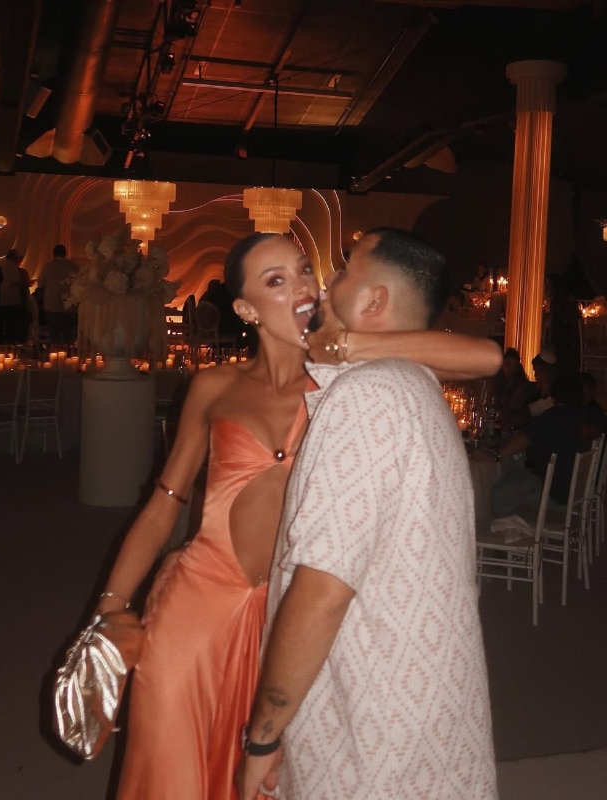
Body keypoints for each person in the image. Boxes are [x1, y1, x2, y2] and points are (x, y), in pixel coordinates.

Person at [94, 233, 501, 800]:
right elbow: (165, 502)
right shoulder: (214, 386)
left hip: (289, 621)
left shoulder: (343, 383)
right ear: (246, 309)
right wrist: (111, 605)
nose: (304, 286)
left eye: (306, 270)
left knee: (270, 776)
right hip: (201, 602)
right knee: (170, 768)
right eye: (277, 281)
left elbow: (486, 358)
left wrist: (348, 345)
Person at [239, 228, 497, 800]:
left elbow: (321, 592)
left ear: (374, 301)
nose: (323, 284)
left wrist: (263, 736)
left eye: (343, 270)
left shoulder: (366, 397)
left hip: (371, 739)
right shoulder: (414, 383)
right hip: (420, 719)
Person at [485, 373, 593, 518]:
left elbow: (524, 439)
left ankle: (515, 529)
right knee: (512, 475)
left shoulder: (554, 417)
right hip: (579, 493)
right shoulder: (589, 416)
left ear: (554, 395)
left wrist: (495, 455)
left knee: (498, 494)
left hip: (556, 495)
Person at [38, 244, 79, 344]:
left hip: (52, 306)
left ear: (54, 254)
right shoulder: (74, 267)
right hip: (69, 306)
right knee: (68, 334)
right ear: (65, 253)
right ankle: (68, 352)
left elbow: (40, 283)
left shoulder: (48, 267)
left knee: (54, 334)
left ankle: (56, 352)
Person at [543, 273, 581, 373]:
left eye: (548, 285)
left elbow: (560, 321)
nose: (546, 288)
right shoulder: (565, 298)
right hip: (567, 337)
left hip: (564, 338)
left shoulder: (559, 300)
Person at [490, 347, 535, 427]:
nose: (511, 369)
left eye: (514, 366)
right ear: (502, 365)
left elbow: (509, 409)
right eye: (508, 365)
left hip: (516, 426)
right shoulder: (496, 382)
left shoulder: (523, 387)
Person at [0, 249, 24, 343]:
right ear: (15, 258)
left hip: (2, 299)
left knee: (3, 325)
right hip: (11, 300)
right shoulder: (11, 266)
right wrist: (25, 284)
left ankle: (3, 344)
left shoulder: (3, 264)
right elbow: (16, 281)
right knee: (12, 325)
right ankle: (11, 345)